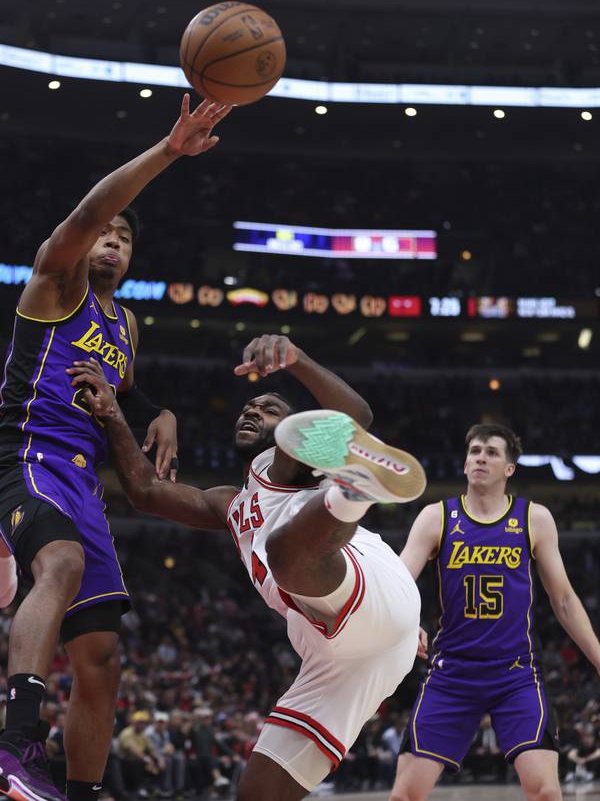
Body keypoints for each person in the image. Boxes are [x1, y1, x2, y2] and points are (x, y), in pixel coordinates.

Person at [68, 334, 426, 801]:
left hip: (362, 581)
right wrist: (114, 415)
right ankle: (350, 493)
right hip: (344, 651)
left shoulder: (281, 462)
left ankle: (352, 490)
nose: (252, 412)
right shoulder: (228, 503)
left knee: (283, 556)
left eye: (270, 408)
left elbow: (356, 419)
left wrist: (296, 360)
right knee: (257, 792)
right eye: (249, 408)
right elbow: (145, 492)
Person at [0, 94, 231, 801]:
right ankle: (14, 749)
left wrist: (158, 411)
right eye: (108, 232)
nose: (113, 241)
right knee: (60, 562)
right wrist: (170, 150)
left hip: (83, 481)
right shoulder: (55, 280)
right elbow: (83, 217)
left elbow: (121, 388)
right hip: (26, 453)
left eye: (125, 239)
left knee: (101, 655)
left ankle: (84, 790)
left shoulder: (125, 323)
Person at [390, 423, 600, 801]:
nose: (480, 458)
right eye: (474, 451)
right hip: (451, 674)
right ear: (466, 462)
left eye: (491, 452)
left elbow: (565, 600)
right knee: (403, 796)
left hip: (515, 674)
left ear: (509, 469)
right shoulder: (436, 517)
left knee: (546, 792)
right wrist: (407, 625)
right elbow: (399, 584)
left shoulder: (534, 518)